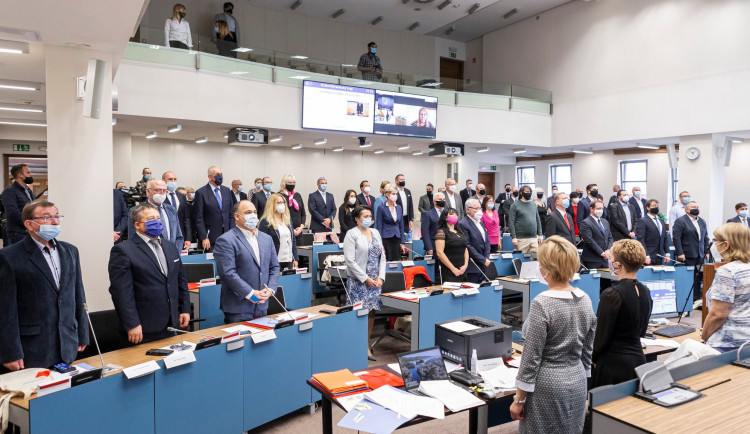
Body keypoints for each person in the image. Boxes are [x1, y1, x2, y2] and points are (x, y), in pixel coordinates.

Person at [510, 236, 596, 433]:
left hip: (548, 385)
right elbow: (587, 350)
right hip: (578, 379)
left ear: (546, 268)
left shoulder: (543, 303)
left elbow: (531, 358)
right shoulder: (585, 299)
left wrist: (519, 399)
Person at [0, 201, 88, 371]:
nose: (55, 222)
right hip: (32, 347)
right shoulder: (9, 257)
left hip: (67, 343)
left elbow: (78, 295)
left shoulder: (70, 251)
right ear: (29, 224)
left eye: (57, 216)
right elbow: (5, 309)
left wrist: (82, 333)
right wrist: (9, 351)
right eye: (47, 218)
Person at [109, 203, 191, 345]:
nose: (157, 222)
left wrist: (184, 309)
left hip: (171, 323)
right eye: (151, 219)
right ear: (137, 225)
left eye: (158, 218)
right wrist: (132, 324)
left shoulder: (170, 246)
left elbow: (180, 280)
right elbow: (121, 292)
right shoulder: (124, 251)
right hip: (141, 328)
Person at [592, 239, 652, 387]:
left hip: (613, 365)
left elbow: (601, 336)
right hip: (638, 361)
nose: (610, 262)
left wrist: (592, 359)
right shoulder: (645, 291)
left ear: (618, 264)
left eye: (611, 259)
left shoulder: (611, 294)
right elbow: (642, 330)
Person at [214, 200, 280, 323]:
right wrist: (250, 293)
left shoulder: (267, 239)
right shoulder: (226, 240)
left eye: (255, 212)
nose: (253, 215)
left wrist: (270, 289)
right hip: (238, 307)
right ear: (237, 216)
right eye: (248, 212)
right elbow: (227, 273)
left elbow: (274, 267)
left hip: (262, 304)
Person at [343, 205, 386, 360]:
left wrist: (381, 277)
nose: (368, 219)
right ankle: (353, 345)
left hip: (375, 281)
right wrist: (365, 278)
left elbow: (382, 256)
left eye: (369, 216)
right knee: (358, 314)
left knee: (371, 313)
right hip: (358, 281)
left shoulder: (375, 232)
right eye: (365, 216)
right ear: (356, 218)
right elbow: (350, 261)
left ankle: (366, 346)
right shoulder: (351, 234)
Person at [702, 223, 750, 353]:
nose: (713, 244)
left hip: (727, 344)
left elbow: (718, 314)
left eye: (715, 240)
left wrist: (704, 336)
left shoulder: (727, 271)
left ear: (726, 245)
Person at [128, 179, 184, 253]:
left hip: (171, 254)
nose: (162, 193)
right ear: (148, 191)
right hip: (148, 256)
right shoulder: (136, 210)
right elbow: (133, 238)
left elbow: (179, 236)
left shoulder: (171, 210)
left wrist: (175, 252)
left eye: (164, 190)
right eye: (158, 190)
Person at [194, 166, 235, 251]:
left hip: (227, 235)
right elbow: (199, 217)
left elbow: (231, 214)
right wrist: (204, 237)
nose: (220, 176)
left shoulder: (226, 190)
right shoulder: (201, 193)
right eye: (217, 174)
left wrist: (232, 232)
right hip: (210, 237)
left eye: (221, 174)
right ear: (209, 177)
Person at [259, 193, 298, 271]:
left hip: (289, 259)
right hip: (275, 260)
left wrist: (295, 258)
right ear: (272, 205)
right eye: (279, 202)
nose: (282, 204)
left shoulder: (288, 220)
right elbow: (263, 244)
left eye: (283, 202)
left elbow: (292, 239)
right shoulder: (266, 221)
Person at [1, 163, 35, 245]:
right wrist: (30, 224)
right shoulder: (9, 191)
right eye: (28, 172)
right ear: (20, 175)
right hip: (16, 233)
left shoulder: (28, 190)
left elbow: (33, 208)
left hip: (28, 230)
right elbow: (13, 213)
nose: (30, 175)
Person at [460, 199, 492, 284]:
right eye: (476, 209)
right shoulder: (463, 224)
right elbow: (468, 245)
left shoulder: (480, 222)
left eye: (480, 208)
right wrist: (482, 259)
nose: (479, 211)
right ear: (468, 210)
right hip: (473, 265)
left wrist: (486, 257)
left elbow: (487, 241)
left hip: (484, 263)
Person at [435, 208, 469, 283]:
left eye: (455, 214)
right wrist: (453, 269)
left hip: (462, 269)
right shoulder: (441, 232)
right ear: (445, 217)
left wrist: (465, 265)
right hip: (449, 270)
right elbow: (440, 252)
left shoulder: (459, 231)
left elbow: (465, 248)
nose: (454, 216)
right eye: (451, 214)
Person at [672, 201, 709, 267]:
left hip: (700, 255)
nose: (696, 208)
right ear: (686, 210)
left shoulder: (702, 221)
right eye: (693, 207)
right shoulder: (680, 221)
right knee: (688, 276)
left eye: (697, 207)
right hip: (687, 255)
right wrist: (680, 253)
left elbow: (705, 238)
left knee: (700, 276)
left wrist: (707, 252)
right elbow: (676, 238)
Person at [508, 186, 543, 255]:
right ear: (521, 193)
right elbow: (511, 222)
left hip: (533, 238)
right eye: (527, 192)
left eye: (530, 192)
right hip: (521, 239)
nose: (529, 193)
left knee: (535, 260)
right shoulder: (515, 205)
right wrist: (514, 237)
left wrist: (540, 234)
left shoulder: (533, 205)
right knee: (522, 260)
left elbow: (537, 220)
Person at [579, 200, 614, 269]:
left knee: (607, 279)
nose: (601, 210)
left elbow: (610, 237)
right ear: (591, 209)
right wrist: (602, 253)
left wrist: (608, 250)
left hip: (606, 259)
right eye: (598, 208)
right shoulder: (585, 222)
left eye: (602, 208)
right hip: (592, 260)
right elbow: (589, 240)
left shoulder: (605, 221)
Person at [163, 171, 192, 251]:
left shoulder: (181, 197)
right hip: (165, 236)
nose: (173, 181)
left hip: (180, 236)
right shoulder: (161, 197)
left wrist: (188, 238)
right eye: (170, 179)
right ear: (164, 181)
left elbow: (186, 219)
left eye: (175, 179)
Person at [375, 184, 405, 261]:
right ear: (387, 195)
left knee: (397, 260)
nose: (395, 196)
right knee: (388, 260)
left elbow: (401, 226)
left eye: (396, 194)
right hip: (386, 238)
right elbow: (379, 227)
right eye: (393, 194)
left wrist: (402, 242)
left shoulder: (399, 207)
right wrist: (380, 243)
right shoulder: (381, 208)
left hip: (397, 237)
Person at [636, 199, 671, 265]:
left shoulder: (661, 221)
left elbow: (665, 238)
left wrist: (667, 253)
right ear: (647, 208)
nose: (656, 207)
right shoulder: (643, 221)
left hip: (660, 256)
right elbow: (641, 240)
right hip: (648, 256)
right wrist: (646, 255)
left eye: (657, 206)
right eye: (654, 206)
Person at [279, 174, 306, 243]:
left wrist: (301, 227)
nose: (292, 184)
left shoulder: (297, 195)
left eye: (293, 182)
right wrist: (290, 229)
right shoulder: (279, 196)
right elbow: (278, 215)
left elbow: (303, 213)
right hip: (285, 230)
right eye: (290, 182)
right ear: (284, 183)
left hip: (299, 232)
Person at [421, 192, 445, 256]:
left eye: (443, 199)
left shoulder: (448, 213)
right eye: (440, 199)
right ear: (434, 201)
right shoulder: (428, 214)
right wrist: (429, 247)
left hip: (447, 246)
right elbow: (425, 232)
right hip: (434, 246)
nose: (442, 201)